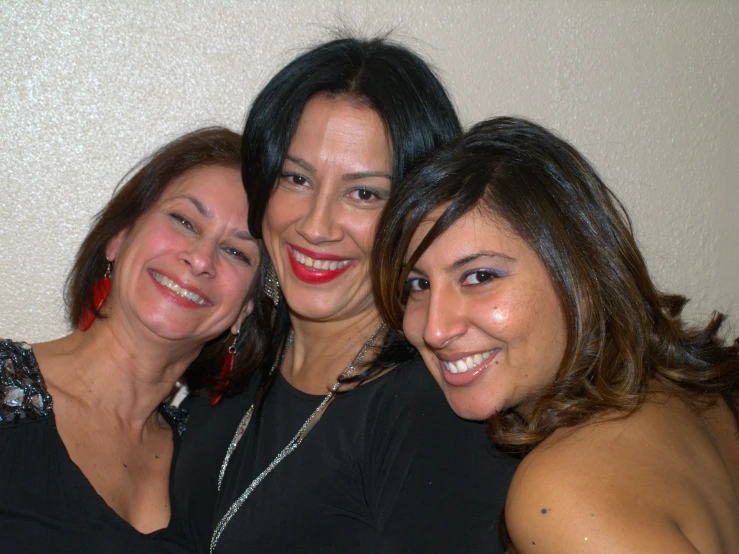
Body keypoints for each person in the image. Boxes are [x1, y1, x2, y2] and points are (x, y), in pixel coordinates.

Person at [172, 36, 519, 553]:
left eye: (364, 193)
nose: (316, 226)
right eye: (296, 178)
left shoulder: (429, 410)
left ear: (416, 211)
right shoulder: (234, 360)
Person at [373, 116, 739, 553]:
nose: (434, 328)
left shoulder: (562, 491)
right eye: (418, 284)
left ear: (580, 274)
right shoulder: (690, 393)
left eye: (480, 276)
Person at [0, 127, 261, 553]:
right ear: (118, 237)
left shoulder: (214, 466)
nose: (200, 259)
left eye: (237, 252)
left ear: (244, 311)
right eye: (184, 221)